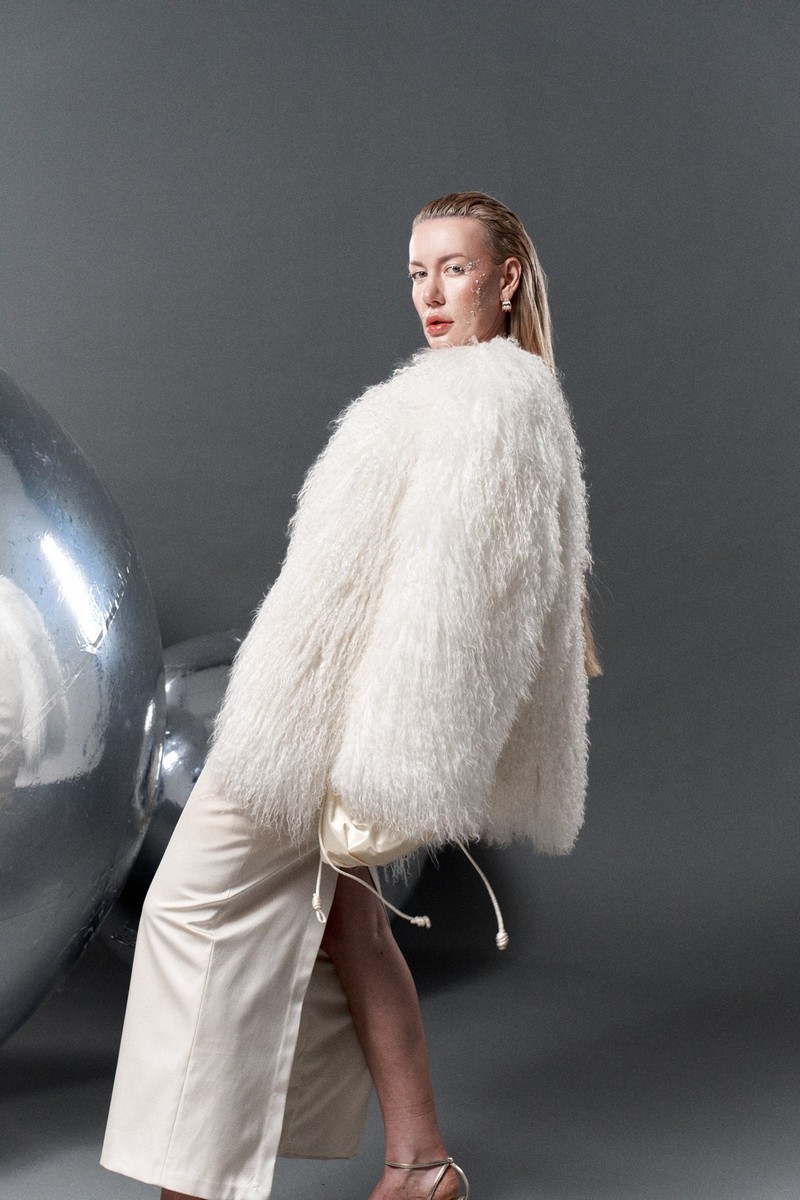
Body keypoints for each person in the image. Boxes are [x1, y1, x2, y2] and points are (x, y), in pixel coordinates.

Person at [100, 190, 601, 1200]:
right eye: (417, 272)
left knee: (188, 912)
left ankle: (187, 1187)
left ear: (505, 278)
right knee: (351, 929)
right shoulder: (464, 394)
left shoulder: (490, 402)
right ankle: (421, 1163)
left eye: (454, 269)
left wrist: (385, 762)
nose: (430, 293)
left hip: (326, 726)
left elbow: (463, 605)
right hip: (330, 711)